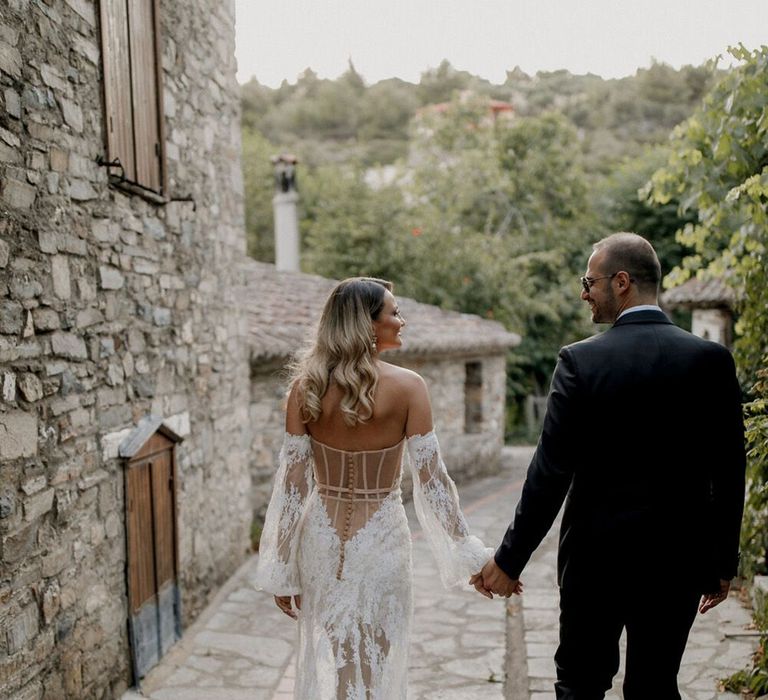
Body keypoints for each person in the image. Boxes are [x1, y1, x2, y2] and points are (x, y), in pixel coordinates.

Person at [473, 233, 746, 699]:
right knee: (656, 686)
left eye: (589, 281)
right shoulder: (711, 360)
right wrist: (722, 562)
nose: (584, 292)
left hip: (594, 562)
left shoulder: (581, 361)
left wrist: (509, 559)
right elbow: (729, 470)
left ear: (622, 282)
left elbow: (550, 472)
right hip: (677, 560)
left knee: (580, 685)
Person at [254, 277, 499, 699]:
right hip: (381, 541)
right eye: (394, 312)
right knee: (377, 665)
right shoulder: (409, 388)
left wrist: (281, 564)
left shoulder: (305, 389)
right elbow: (433, 480)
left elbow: (293, 483)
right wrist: (469, 553)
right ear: (367, 325)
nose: (401, 321)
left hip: (322, 542)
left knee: (338, 658)